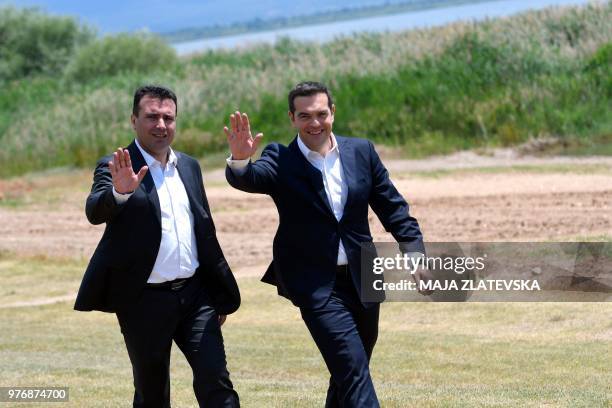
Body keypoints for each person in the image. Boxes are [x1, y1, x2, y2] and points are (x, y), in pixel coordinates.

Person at [224, 81, 425, 407]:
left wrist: (414, 254)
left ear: (332, 112)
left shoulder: (361, 151)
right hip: (316, 285)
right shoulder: (280, 158)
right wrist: (240, 160)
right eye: (304, 116)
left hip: (364, 277)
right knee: (352, 368)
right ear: (292, 118)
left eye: (321, 114)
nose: (314, 123)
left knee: (350, 371)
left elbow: (393, 208)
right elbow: (250, 178)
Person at [75, 85, 241, 408]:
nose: (161, 125)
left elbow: (204, 233)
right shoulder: (115, 164)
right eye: (152, 117)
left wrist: (216, 291)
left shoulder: (189, 167)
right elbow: (95, 210)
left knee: (216, 382)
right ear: (134, 119)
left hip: (195, 297)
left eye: (168, 117)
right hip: (143, 302)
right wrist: (119, 194)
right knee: (152, 394)